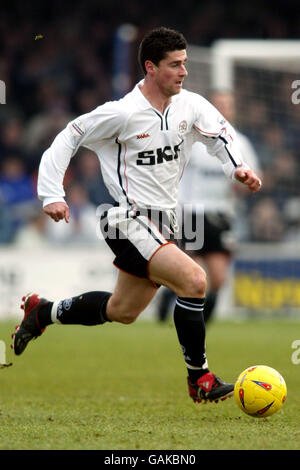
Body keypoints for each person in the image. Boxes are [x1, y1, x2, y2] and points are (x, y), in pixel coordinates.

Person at [12, 27, 261, 404]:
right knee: (195, 280)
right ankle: (201, 379)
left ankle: (42, 313)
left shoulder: (190, 106)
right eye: (175, 65)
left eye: (185, 63)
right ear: (151, 67)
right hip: (126, 219)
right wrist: (51, 193)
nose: (184, 72)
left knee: (122, 310)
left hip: (165, 223)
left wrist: (237, 168)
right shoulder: (121, 114)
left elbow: (220, 134)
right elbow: (68, 136)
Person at [157, 90, 261, 323]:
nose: (224, 108)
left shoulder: (241, 142)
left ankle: (198, 318)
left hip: (222, 214)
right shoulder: (192, 138)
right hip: (192, 213)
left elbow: (255, 178)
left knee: (218, 279)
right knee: (194, 274)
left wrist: (245, 185)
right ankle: (181, 310)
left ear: (234, 109)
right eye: (219, 104)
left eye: (228, 104)